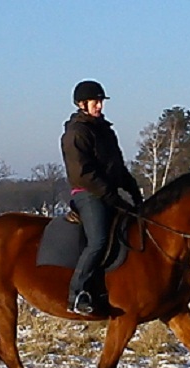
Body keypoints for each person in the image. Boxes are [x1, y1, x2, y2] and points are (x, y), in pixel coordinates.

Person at [61, 80, 143, 315]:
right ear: (81, 104)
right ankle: (76, 294)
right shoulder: (76, 133)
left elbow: (117, 166)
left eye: (100, 101)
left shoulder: (105, 130)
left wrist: (134, 192)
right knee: (98, 240)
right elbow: (84, 174)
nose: (100, 106)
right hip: (88, 193)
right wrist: (112, 197)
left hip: (108, 192)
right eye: (95, 102)